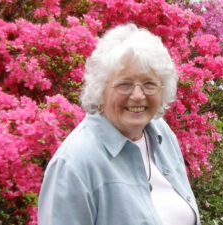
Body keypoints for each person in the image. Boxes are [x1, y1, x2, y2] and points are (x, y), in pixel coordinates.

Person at [38, 23, 201, 225]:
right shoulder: (74, 164)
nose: (138, 95)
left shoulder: (161, 133)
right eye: (125, 84)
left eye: (149, 84)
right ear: (101, 88)